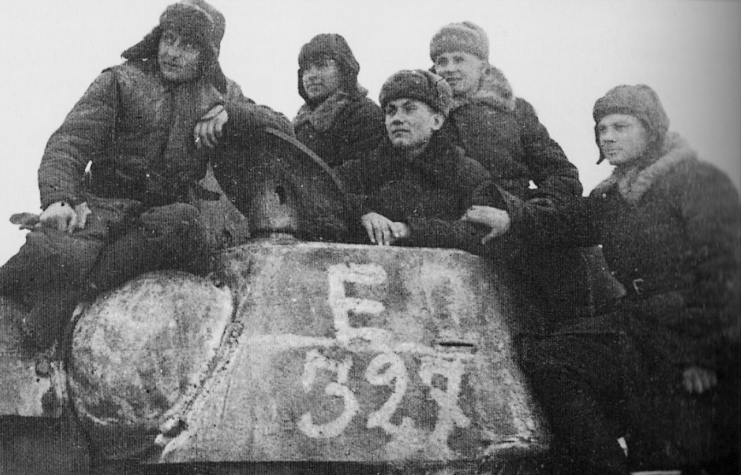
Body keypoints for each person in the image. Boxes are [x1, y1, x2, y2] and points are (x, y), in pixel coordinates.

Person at [0, 0, 292, 350]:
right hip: (102, 204)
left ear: (207, 56)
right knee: (58, 253)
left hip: (158, 218)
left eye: (188, 45)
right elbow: (70, 142)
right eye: (169, 39)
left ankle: (74, 292)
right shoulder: (121, 81)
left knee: (183, 224)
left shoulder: (219, 94)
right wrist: (59, 198)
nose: (172, 52)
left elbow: (281, 127)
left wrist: (232, 114)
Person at [519, 85, 740, 474]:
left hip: (691, 331)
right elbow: (564, 224)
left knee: (699, 453)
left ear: (651, 130)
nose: (608, 137)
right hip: (640, 324)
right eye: (601, 129)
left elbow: (725, 271)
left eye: (620, 127)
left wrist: (703, 354)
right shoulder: (615, 196)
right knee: (551, 358)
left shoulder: (698, 181)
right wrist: (510, 219)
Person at [429, 21, 618, 323]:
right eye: (441, 61)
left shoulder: (515, 111)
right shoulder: (425, 112)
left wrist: (524, 216)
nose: (448, 68)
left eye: (459, 59)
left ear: (483, 66)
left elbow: (561, 175)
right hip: (456, 223)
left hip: (518, 228)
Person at [293, 33, 385, 168]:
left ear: (344, 69)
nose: (311, 76)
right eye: (306, 70)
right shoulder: (300, 122)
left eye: (321, 66)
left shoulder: (364, 114)